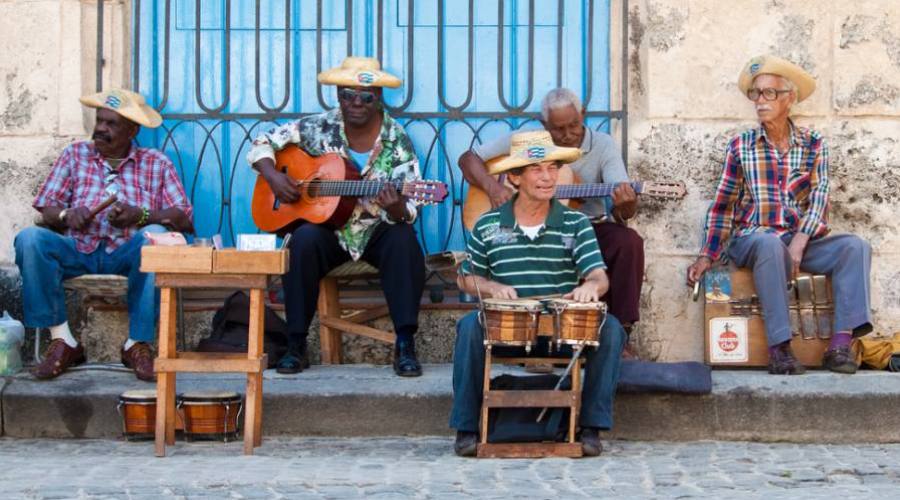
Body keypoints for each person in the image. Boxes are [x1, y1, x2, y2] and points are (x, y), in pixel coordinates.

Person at [686, 55, 873, 375]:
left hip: (798, 239)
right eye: (756, 93)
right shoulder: (741, 146)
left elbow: (819, 197)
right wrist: (707, 254)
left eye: (769, 93)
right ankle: (779, 349)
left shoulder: (815, 145)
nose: (760, 101)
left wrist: (800, 239)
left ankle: (839, 346)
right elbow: (723, 206)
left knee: (854, 247)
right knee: (770, 245)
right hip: (752, 239)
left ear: (790, 98)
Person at [450, 130, 626, 457]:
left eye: (553, 168)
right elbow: (465, 278)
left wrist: (590, 286)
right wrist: (490, 287)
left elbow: (600, 277)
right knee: (469, 328)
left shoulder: (576, 223)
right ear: (514, 177)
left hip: (562, 328)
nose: (548, 177)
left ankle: (590, 427)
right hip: (507, 327)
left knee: (611, 328)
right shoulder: (488, 224)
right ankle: (466, 427)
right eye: (536, 169)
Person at [247, 57, 426, 377]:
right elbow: (262, 142)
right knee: (301, 241)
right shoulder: (315, 127)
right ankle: (296, 344)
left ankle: (404, 343)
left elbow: (411, 207)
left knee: (404, 240)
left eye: (366, 96)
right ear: (338, 95)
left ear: (379, 98)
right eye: (347, 94)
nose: (355, 103)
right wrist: (273, 176)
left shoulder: (397, 139)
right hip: (328, 229)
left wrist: (398, 207)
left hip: (374, 229)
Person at [15, 89, 193, 381]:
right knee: (29, 239)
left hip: (127, 255)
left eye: (112, 124)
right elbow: (46, 207)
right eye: (100, 121)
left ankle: (137, 344)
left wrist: (141, 216)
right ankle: (63, 340)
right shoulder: (75, 155)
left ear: (132, 130)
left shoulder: (156, 162)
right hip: (78, 249)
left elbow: (183, 219)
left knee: (155, 237)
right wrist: (66, 215)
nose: (101, 129)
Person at [458, 88, 643, 356]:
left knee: (628, 242)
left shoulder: (602, 145)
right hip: (531, 227)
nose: (568, 135)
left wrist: (627, 206)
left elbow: (621, 207)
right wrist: (493, 188)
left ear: (583, 115)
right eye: (559, 129)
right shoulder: (527, 141)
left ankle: (619, 336)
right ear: (544, 126)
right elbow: (467, 159)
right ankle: (529, 336)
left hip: (585, 226)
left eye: (574, 125)